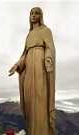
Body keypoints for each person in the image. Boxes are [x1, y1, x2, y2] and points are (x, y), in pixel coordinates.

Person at [9, 7, 56, 135]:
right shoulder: (29, 35)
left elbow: (50, 48)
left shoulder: (46, 31)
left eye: (37, 13)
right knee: (29, 101)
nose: (33, 15)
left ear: (41, 16)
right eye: (31, 13)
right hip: (29, 70)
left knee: (40, 99)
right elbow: (25, 54)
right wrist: (17, 65)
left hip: (40, 68)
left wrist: (48, 59)